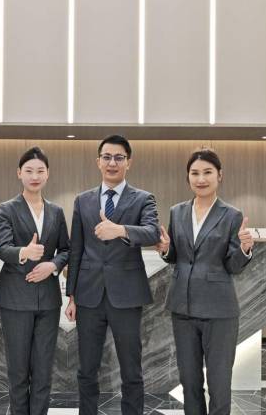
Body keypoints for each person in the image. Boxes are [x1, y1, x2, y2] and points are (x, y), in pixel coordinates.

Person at [65, 135, 161, 415]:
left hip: (127, 296)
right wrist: (71, 295)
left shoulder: (143, 199)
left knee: (131, 369)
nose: (112, 163)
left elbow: (153, 233)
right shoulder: (83, 200)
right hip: (88, 296)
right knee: (86, 369)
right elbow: (76, 250)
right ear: (98, 161)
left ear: (128, 163)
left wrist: (120, 230)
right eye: (107, 157)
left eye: (119, 157)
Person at [155, 147, 254, 415]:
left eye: (207, 172)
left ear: (219, 175)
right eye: (195, 173)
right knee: (189, 382)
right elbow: (177, 256)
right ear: (187, 176)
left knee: (219, 383)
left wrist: (244, 249)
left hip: (219, 310)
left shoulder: (231, 215)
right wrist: (166, 249)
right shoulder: (177, 212)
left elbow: (232, 265)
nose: (201, 179)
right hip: (182, 307)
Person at [0, 147, 71, 415]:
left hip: (48, 299)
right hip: (15, 298)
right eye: (29, 171)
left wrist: (53, 265)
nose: (34, 176)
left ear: (48, 174)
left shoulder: (56, 211)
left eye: (40, 171)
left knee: (43, 369)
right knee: (18, 370)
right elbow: (3, 249)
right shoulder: (7, 209)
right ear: (19, 173)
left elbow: (66, 250)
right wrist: (24, 252)